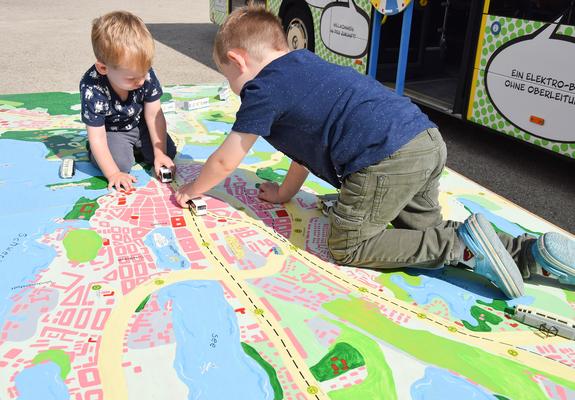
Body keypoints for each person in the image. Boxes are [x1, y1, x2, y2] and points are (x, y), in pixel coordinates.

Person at [176, 6, 575, 298]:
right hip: (424, 140)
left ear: (237, 60)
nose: (232, 86)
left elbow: (228, 159)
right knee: (419, 237)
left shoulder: (262, 89)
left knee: (349, 244)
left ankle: (461, 245)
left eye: (228, 76)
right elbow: (303, 150)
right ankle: (532, 253)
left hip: (384, 159)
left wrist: (193, 190)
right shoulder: (307, 66)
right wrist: (284, 193)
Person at [80, 10, 176, 191]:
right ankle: (100, 153)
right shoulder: (92, 88)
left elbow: (154, 114)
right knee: (120, 165)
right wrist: (113, 174)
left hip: (141, 126)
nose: (140, 81)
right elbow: (97, 135)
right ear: (103, 68)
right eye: (132, 78)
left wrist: (159, 153)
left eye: (144, 72)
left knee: (167, 153)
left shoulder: (142, 74)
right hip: (113, 131)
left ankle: (139, 149)